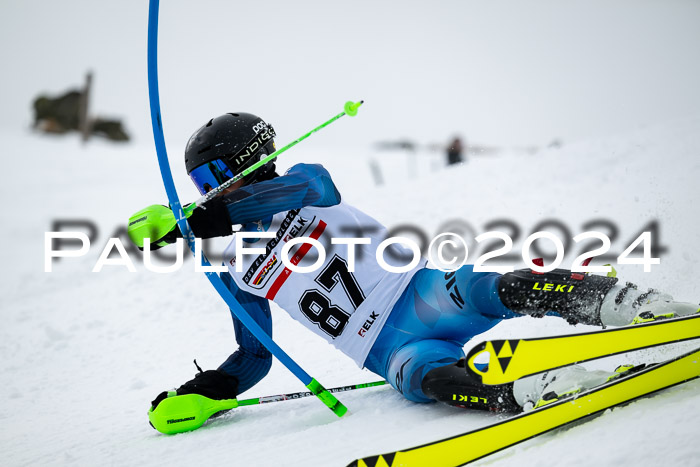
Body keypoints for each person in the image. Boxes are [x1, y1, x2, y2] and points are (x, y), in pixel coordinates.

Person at [128, 112, 695, 420]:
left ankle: (626, 303)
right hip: (389, 351)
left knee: (484, 282)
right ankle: (521, 396)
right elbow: (255, 355)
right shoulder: (234, 263)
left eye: (209, 182)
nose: (206, 194)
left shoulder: (301, 185)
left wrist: (202, 221)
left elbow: (314, 187)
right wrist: (209, 392)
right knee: (427, 380)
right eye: (202, 189)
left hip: (424, 293)